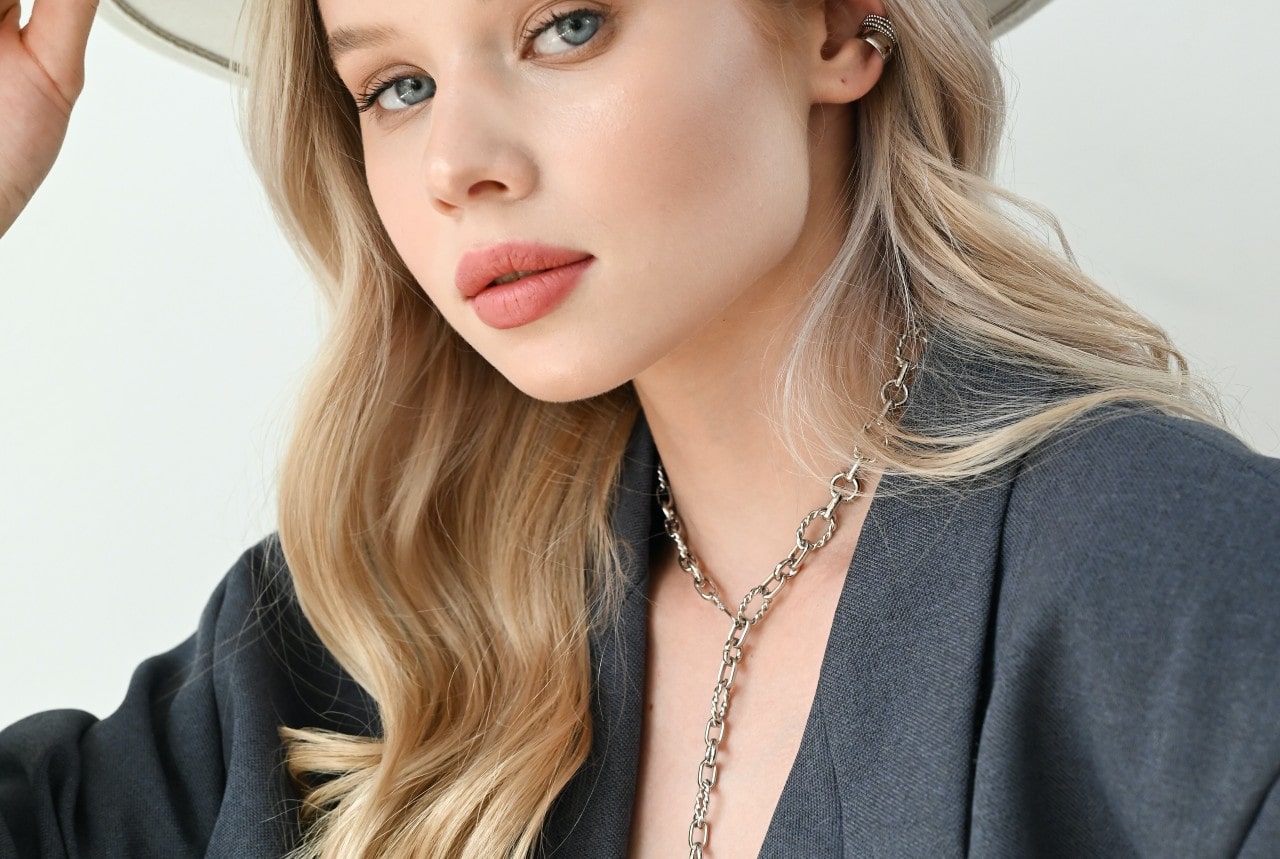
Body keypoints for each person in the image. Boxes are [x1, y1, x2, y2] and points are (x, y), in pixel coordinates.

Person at [1, 0, 1277, 856]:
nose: (458, 161)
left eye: (565, 25)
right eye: (394, 85)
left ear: (836, 25)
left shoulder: (1184, 598)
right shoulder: (370, 644)